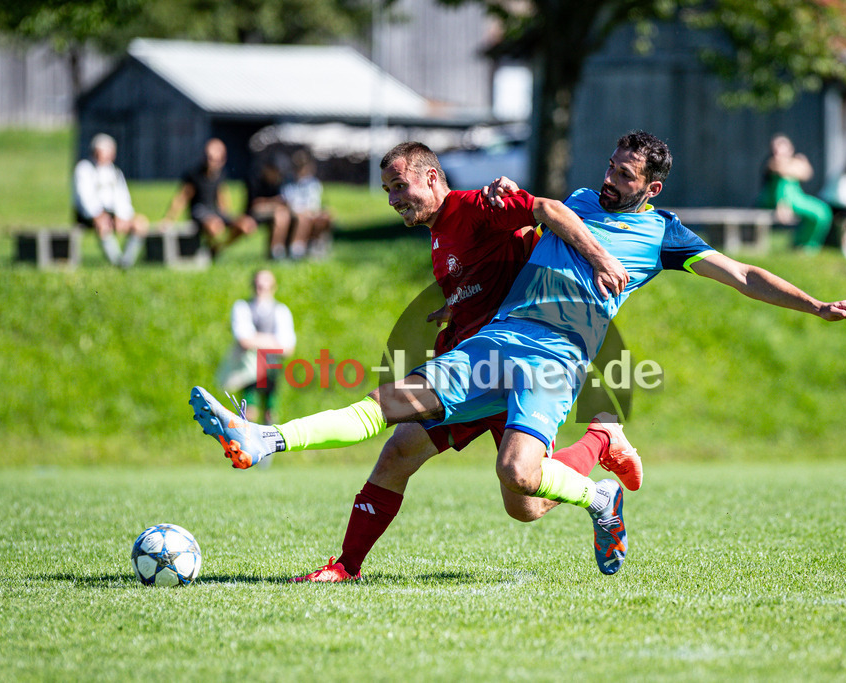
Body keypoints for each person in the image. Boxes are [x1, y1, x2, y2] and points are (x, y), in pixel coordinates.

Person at [190, 131, 846, 582]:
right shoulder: (576, 201)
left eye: (625, 176)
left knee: (520, 482)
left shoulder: (666, 235)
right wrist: (468, 288)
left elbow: (745, 274)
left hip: (556, 356)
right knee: (389, 406)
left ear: (651, 188)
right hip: (497, 338)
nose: (609, 181)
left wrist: (816, 304)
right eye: (609, 167)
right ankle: (264, 437)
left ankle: (599, 484)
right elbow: (536, 215)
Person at [195, 140, 641, 581]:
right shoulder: (440, 228)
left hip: (513, 369)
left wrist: (595, 256)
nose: (392, 200)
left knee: (527, 503)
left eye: (398, 186)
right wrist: (459, 305)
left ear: (431, 178)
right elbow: (492, 264)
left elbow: (544, 214)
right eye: (387, 190)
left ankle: (600, 446)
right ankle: (344, 563)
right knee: (398, 450)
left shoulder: (476, 206)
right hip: (467, 366)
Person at [216, 270, 296, 424]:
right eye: (259, 286)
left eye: (266, 286)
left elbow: (288, 348)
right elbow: (244, 339)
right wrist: (273, 342)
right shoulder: (242, 307)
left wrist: (256, 340)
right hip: (248, 367)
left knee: (271, 412)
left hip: (271, 366)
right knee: (248, 411)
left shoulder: (281, 311)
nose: (262, 291)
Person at [162, 138, 257, 257]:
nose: (211, 163)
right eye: (209, 158)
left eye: (215, 160)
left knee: (248, 225)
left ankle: (217, 248)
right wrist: (169, 219)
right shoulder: (194, 175)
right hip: (200, 212)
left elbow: (222, 196)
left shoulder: (221, 175)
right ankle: (210, 249)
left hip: (215, 212)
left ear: (223, 160)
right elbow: (182, 198)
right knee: (215, 226)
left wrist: (228, 216)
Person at [72, 133, 149, 268]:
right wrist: (97, 214)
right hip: (89, 215)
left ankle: (126, 262)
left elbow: (123, 197)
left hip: (113, 213)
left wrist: (122, 216)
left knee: (140, 223)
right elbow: (84, 197)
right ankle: (116, 263)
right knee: (104, 225)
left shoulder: (115, 172)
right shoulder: (84, 169)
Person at [757, 133, 833, 253]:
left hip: (796, 197)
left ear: (790, 150)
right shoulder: (771, 163)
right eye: (775, 150)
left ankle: (808, 244)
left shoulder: (790, 163)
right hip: (775, 200)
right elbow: (785, 173)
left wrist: (794, 168)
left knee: (823, 210)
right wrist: (782, 205)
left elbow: (807, 173)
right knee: (815, 214)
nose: (778, 154)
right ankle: (800, 245)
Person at [281, 150, 334, 259]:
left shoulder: (313, 183)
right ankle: (296, 249)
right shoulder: (288, 182)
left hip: (311, 211)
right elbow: (289, 202)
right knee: (303, 218)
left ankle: (317, 246)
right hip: (296, 212)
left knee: (326, 216)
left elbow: (314, 202)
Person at [245, 158, 292, 261]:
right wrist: (274, 203)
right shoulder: (254, 179)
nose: (278, 175)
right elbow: (254, 205)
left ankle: (283, 250)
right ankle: (275, 252)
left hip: (275, 213)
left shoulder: (279, 182)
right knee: (280, 215)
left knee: (285, 215)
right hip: (253, 214)